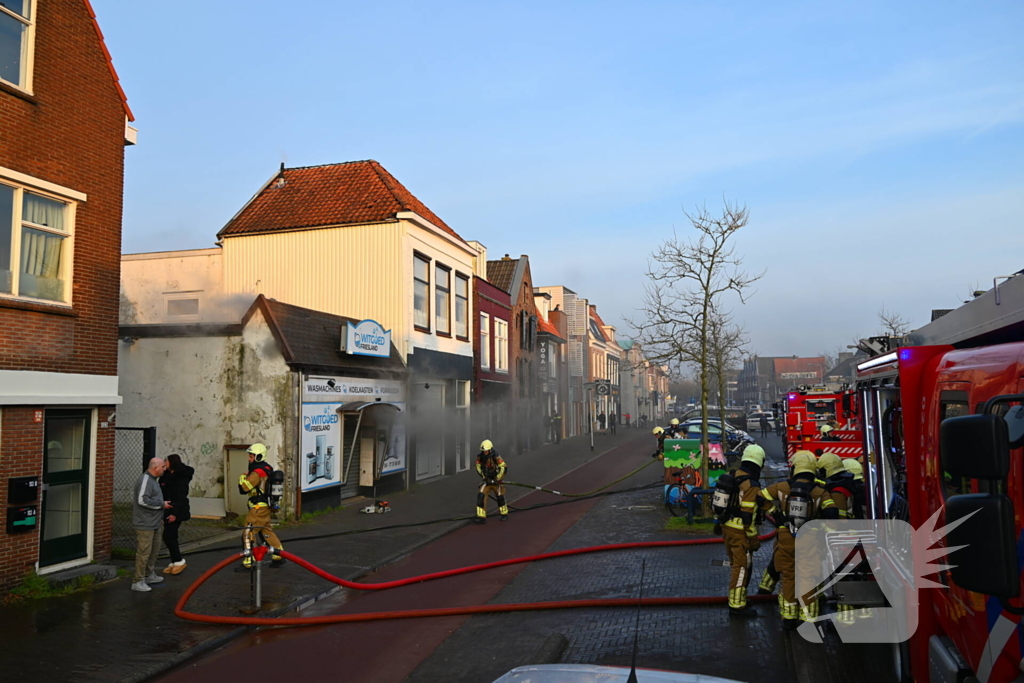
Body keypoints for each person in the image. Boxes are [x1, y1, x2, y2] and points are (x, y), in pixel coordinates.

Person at [759, 450, 837, 629]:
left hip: (785, 538)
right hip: (809, 539)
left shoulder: (781, 487)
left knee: (788, 576)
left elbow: (759, 497)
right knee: (808, 577)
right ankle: (808, 618)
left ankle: (788, 617)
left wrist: (775, 514)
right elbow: (831, 511)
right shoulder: (819, 491)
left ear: (794, 469)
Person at [721, 444, 767, 617]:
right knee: (741, 569)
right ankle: (737, 605)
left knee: (736, 565)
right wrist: (753, 539)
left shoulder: (734, 475)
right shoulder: (751, 484)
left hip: (728, 527)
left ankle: (740, 598)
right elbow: (748, 515)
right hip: (741, 531)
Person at [237, 443, 284, 569]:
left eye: (251, 456)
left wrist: (242, 477)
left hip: (258, 509)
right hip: (265, 507)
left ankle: (248, 562)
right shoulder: (267, 468)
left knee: (248, 534)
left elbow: (244, 488)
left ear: (258, 457)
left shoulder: (257, 472)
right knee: (267, 532)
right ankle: (278, 555)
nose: (249, 459)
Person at [131, 457, 170, 592]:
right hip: (145, 524)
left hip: (154, 522)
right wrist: (162, 505)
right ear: (155, 468)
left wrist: (159, 516)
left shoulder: (153, 480)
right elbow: (142, 500)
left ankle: (148, 575)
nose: (165, 469)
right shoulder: (145, 480)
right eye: (163, 467)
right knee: (144, 552)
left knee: (154, 550)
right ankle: (138, 580)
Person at [160, 453, 194, 575]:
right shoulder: (166, 475)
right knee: (171, 536)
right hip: (167, 509)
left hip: (177, 510)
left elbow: (180, 496)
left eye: (166, 461)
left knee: (168, 536)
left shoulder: (181, 477)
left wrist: (175, 513)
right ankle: (175, 561)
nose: (165, 463)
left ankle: (178, 560)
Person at [475, 440, 508, 523]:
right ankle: (481, 517)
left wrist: (498, 478)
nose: (484, 452)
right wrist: (483, 476)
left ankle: (504, 514)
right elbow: (478, 466)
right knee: (481, 496)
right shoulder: (480, 457)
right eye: (483, 451)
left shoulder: (496, 456)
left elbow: (503, 467)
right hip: (487, 480)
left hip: (496, 481)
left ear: (490, 450)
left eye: (486, 451)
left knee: (500, 496)